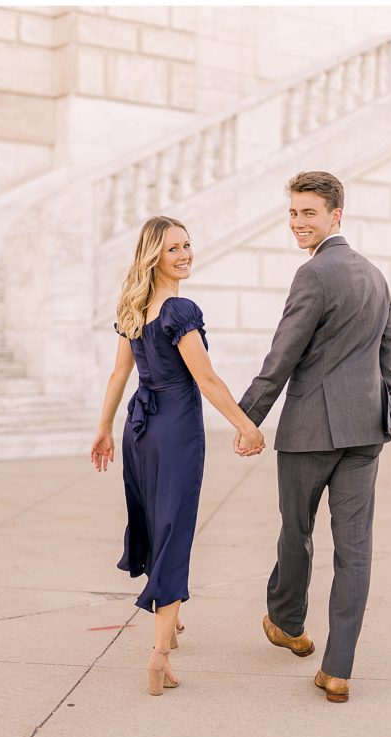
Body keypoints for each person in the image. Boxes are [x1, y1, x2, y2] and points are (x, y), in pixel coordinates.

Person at [237, 171, 391, 703]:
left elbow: (282, 354)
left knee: (297, 532)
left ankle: (286, 620)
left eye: (308, 213)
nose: (297, 223)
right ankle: (337, 670)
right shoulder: (375, 275)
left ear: (336, 215)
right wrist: (385, 407)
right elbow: (389, 352)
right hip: (365, 432)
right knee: (355, 550)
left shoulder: (313, 275)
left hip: (311, 431)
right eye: (292, 212)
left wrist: (248, 417)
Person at [91, 216, 266, 696]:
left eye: (188, 244)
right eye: (174, 249)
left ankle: (173, 619)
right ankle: (158, 655)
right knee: (175, 531)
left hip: (139, 429)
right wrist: (246, 425)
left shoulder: (134, 308)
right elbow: (205, 379)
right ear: (154, 256)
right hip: (174, 430)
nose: (185, 254)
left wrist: (106, 429)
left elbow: (118, 376)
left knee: (155, 518)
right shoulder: (178, 309)